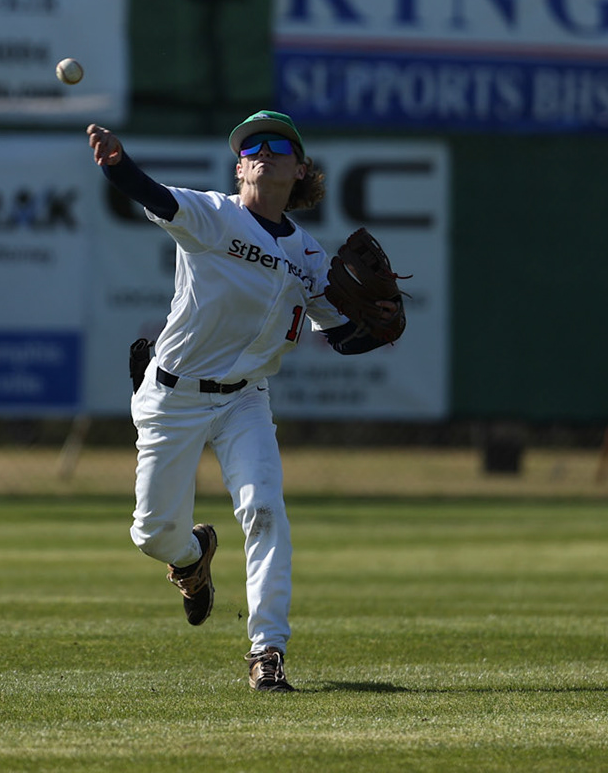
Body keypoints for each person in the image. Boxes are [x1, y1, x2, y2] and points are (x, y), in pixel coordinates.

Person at [86, 109, 397, 693]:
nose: (262, 150)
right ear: (239, 167)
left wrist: (377, 327)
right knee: (152, 533)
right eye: (250, 145)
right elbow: (149, 193)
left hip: (245, 401)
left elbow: (340, 336)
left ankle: (267, 652)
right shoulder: (213, 216)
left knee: (264, 511)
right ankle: (191, 557)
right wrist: (118, 163)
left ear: (299, 169)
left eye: (277, 144)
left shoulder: (309, 256)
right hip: (173, 394)